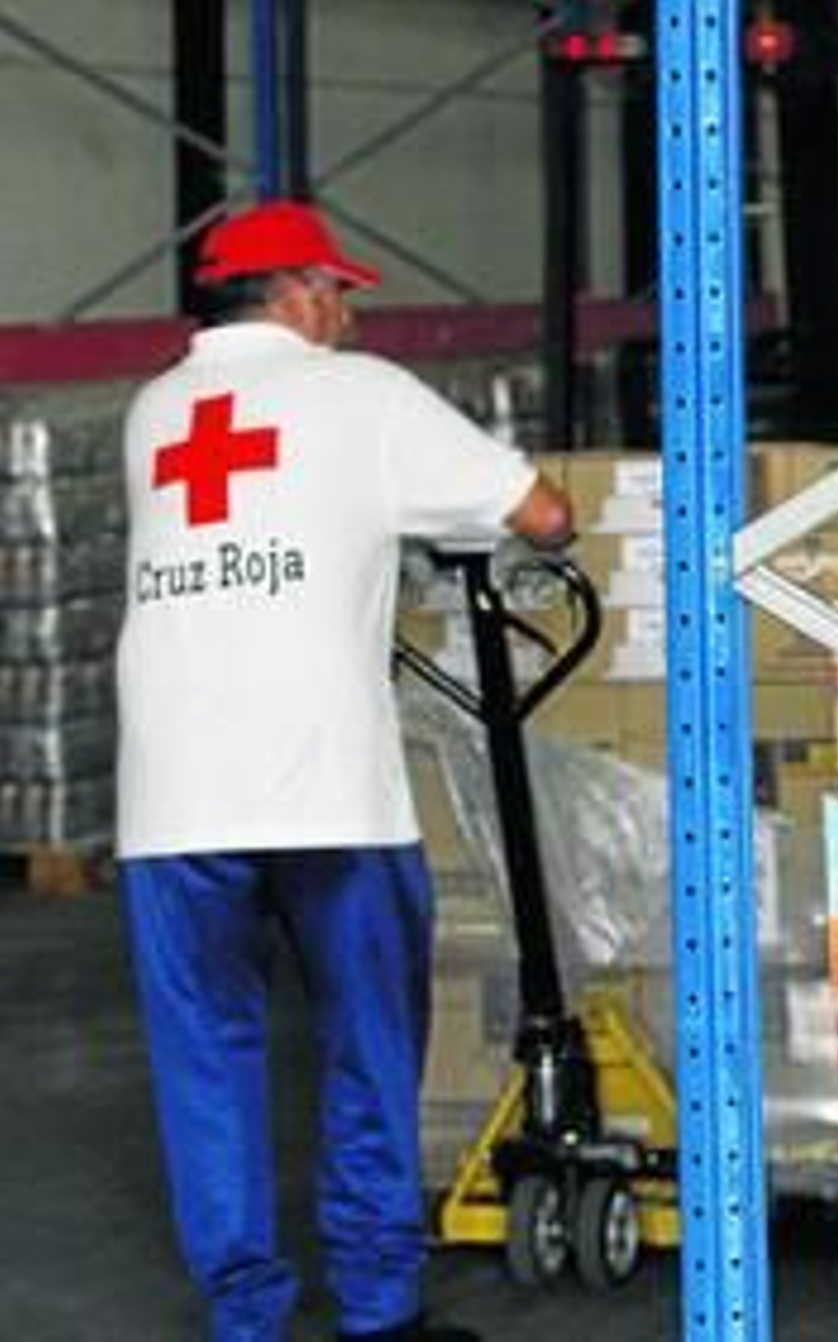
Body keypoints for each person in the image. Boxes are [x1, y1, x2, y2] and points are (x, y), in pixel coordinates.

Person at [116, 198, 572, 1342]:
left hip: (168, 801)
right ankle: (377, 1312)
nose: (346, 312)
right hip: (323, 791)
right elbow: (546, 513)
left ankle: (246, 1321)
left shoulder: (154, 409)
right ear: (297, 291)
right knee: (365, 1043)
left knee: (207, 1067)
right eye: (338, 292)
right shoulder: (359, 394)